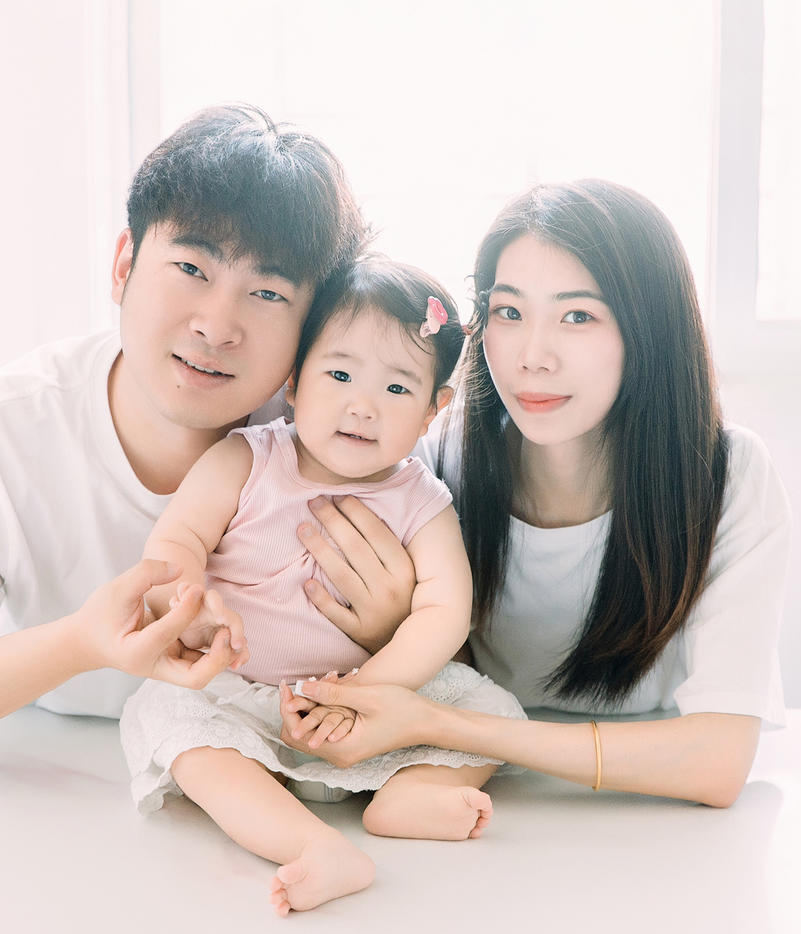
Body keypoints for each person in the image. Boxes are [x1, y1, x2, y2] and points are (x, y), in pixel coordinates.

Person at [0, 105, 417, 772]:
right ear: (124, 265)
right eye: (192, 269)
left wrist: (391, 636)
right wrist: (81, 644)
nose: (217, 327)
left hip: (264, 783)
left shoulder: (351, 439)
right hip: (46, 776)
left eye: (267, 294)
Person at [278, 179, 793, 810]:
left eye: (577, 316)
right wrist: (400, 635)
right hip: (478, 798)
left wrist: (444, 724)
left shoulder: (726, 475)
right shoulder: (435, 460)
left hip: (650, 815)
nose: (532, 357)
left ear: (649, 329)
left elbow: (716, 763)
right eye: (509, 312)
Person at [120, 259, 525, 917]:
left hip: (375, 702)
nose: (363, 406)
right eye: (339, 376)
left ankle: (407, 798)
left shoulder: (423, 501)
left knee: (491, 709)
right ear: (292, 381)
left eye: (397, 388)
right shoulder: (246, 459)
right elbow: (176, 544)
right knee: (169, 716)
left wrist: (366, 693)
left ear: (433, 410)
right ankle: (311, 844)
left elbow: (445, 611)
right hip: (240, 692)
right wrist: (190, 608)